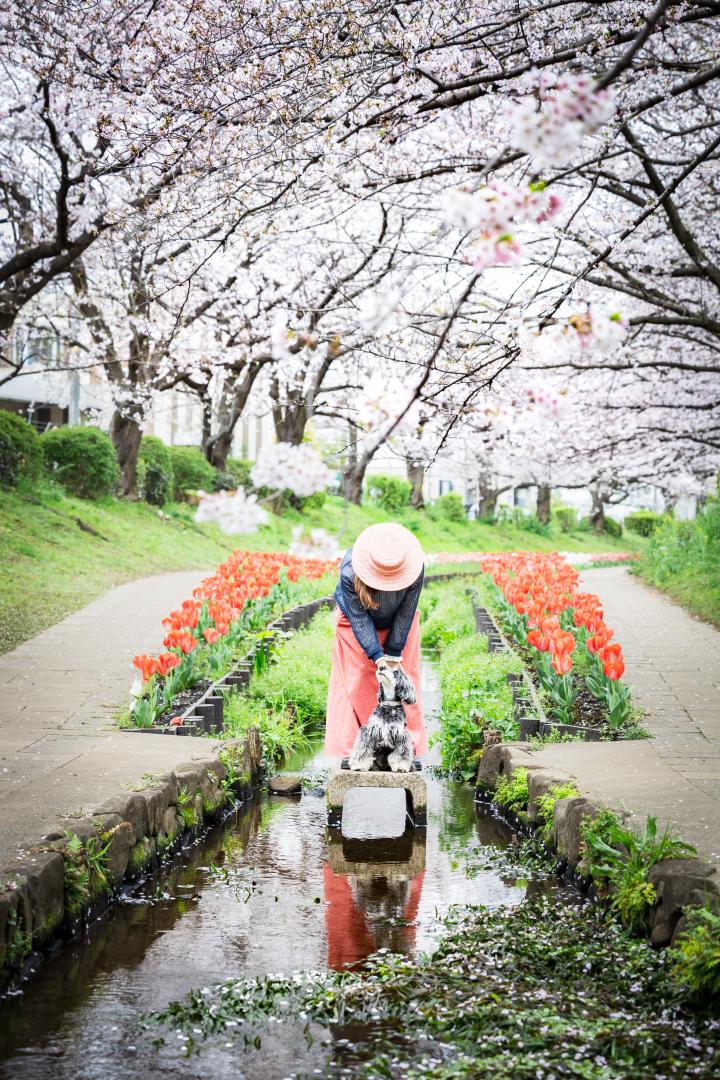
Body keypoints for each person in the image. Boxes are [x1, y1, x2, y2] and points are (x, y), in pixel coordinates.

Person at [325, 522, 427, 759]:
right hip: (354, 620)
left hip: (399, 620)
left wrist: (393, 653)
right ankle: (355, 749)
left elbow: (407, 611)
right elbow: (359, 618)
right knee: (357, 679)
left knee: (403, 676)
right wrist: (377, 656)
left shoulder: (415, 566)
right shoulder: (350, 570)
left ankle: (405, 748)